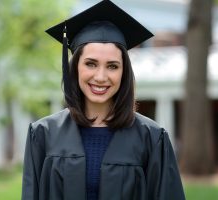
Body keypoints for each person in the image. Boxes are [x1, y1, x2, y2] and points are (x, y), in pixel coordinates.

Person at [22, 1, 185, 200]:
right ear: (75, 68)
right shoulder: (43, 134)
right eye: (91, 64)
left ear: (123, 72)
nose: (100, 76)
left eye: (112, 66)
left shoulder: (151, 138)